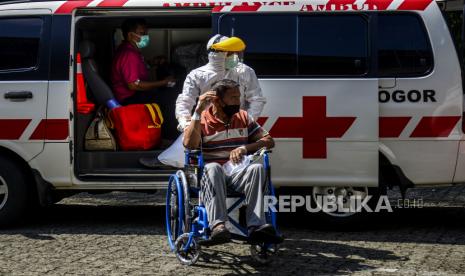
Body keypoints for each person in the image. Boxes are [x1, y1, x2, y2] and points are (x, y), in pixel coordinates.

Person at [183, 79, 282, 244]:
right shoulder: (203, 120)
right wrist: (197, 112)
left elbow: (269, 140)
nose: (238, 101)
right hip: (212, 178)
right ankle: (218, 226)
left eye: (239, 97)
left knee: (256, 168)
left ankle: (256, 226)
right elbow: (189, 144)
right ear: (217, 100)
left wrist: (244, 148)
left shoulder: (242, 117)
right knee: (214, 167)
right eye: (233, 97)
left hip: (237, 176)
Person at [175, 34, 266, 131]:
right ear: (217, 55)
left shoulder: (244, 71)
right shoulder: (197, 75)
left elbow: (257, 99)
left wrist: (246, 121)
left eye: (235, 53)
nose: (234, 56)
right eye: (230, 53)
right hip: (208, 128)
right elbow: (185, 102)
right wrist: (186, 124)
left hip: (237, 127)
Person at [111, 18, 175, 106]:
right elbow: (133, 85)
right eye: (142, 34)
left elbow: (135, 68)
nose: (146, 36)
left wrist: (152, 63)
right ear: (130, 35)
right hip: (129, 98)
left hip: (134, 94)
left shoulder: (130, 50)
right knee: (171, 97)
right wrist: (164, 82)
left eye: (146, 33)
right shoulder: (129, 55)